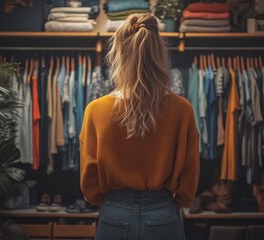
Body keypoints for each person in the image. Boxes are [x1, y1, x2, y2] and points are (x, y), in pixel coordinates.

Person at [79, 13, 200, 240]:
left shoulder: (95, 110)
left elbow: (90, 184)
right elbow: (189, 175)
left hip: (115, 213)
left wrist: (105, 200)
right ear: (159, 54)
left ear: (119, 54)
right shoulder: (182, 110)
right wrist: (178, 201)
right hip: (162, 212)